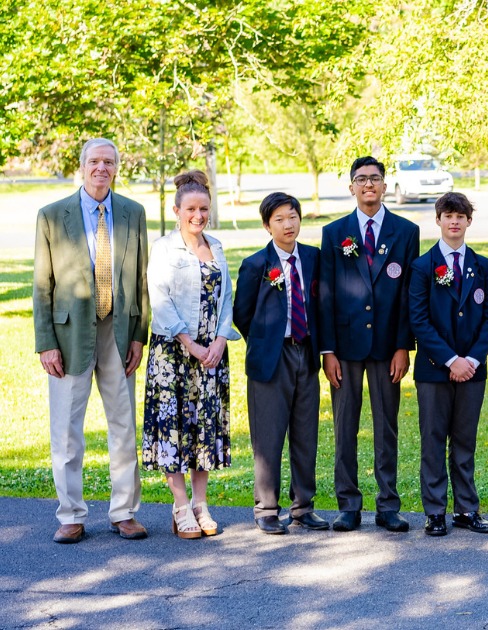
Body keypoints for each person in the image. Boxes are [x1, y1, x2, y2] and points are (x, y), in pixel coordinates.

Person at [34, 138, 150, 544]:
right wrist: (46, 342)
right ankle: (70, 514)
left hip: (119, 333)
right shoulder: (51, 216)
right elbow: (41, 287)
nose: (102, 168)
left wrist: (139, 335)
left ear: (117, 168)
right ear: (82, 167)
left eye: (109, 162)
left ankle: (124, 512)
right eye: (94, 161)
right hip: (68, 336)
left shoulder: (134, 213)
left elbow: (140, 281)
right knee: (67, 429)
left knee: (123, 425)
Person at [318, 156, 421, 533]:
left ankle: (388, 504)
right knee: (345, 425)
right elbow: (325, 295)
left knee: (386, 426)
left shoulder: (405, 232)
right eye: (361, 179)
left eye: (375, 179)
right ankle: (348, 504)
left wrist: (402, 347)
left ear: (384, 185)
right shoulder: (335, 233)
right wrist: (327, 350)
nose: (368, 185)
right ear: (351, 187)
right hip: (344, 348)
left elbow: (409, 294)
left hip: (386, 346)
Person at [142, 170, 240, 539]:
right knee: (174, 428)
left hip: (211, 356)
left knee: (204, 428)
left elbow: (226, 297)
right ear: (177, 209)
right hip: (174, 355)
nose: (198, 216)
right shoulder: (164, 248)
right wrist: (191, 343)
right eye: (191, 209)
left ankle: (201, 503)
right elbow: (161, 299)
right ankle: (180, 505)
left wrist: (219, 340)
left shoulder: (216, 246)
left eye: (204, 209)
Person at [232, 193, 329, 535]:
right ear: (266, 225)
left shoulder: (315, 258)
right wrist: (266, 340)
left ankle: (303, 507)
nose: (288, 225)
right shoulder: (256, 265)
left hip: (306, 353)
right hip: (271, 359)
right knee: (269, 436)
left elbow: (322, 305)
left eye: (293, 217)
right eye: (279, 219)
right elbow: (242, 314)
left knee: (306, 434)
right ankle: (267, 509)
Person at [409, 192, 488, 536]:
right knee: (433, 439)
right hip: (435, 370)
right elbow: (419, 320)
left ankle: (466, 509)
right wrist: (450, 360)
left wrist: (472, 359)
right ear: (438, 220)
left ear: (468, 222)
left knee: (465, 441)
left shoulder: (480, 266)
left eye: (460, 216)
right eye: (448, 216)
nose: (454, 221)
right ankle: (435, 512)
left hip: (472, 372)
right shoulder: (422, 267)